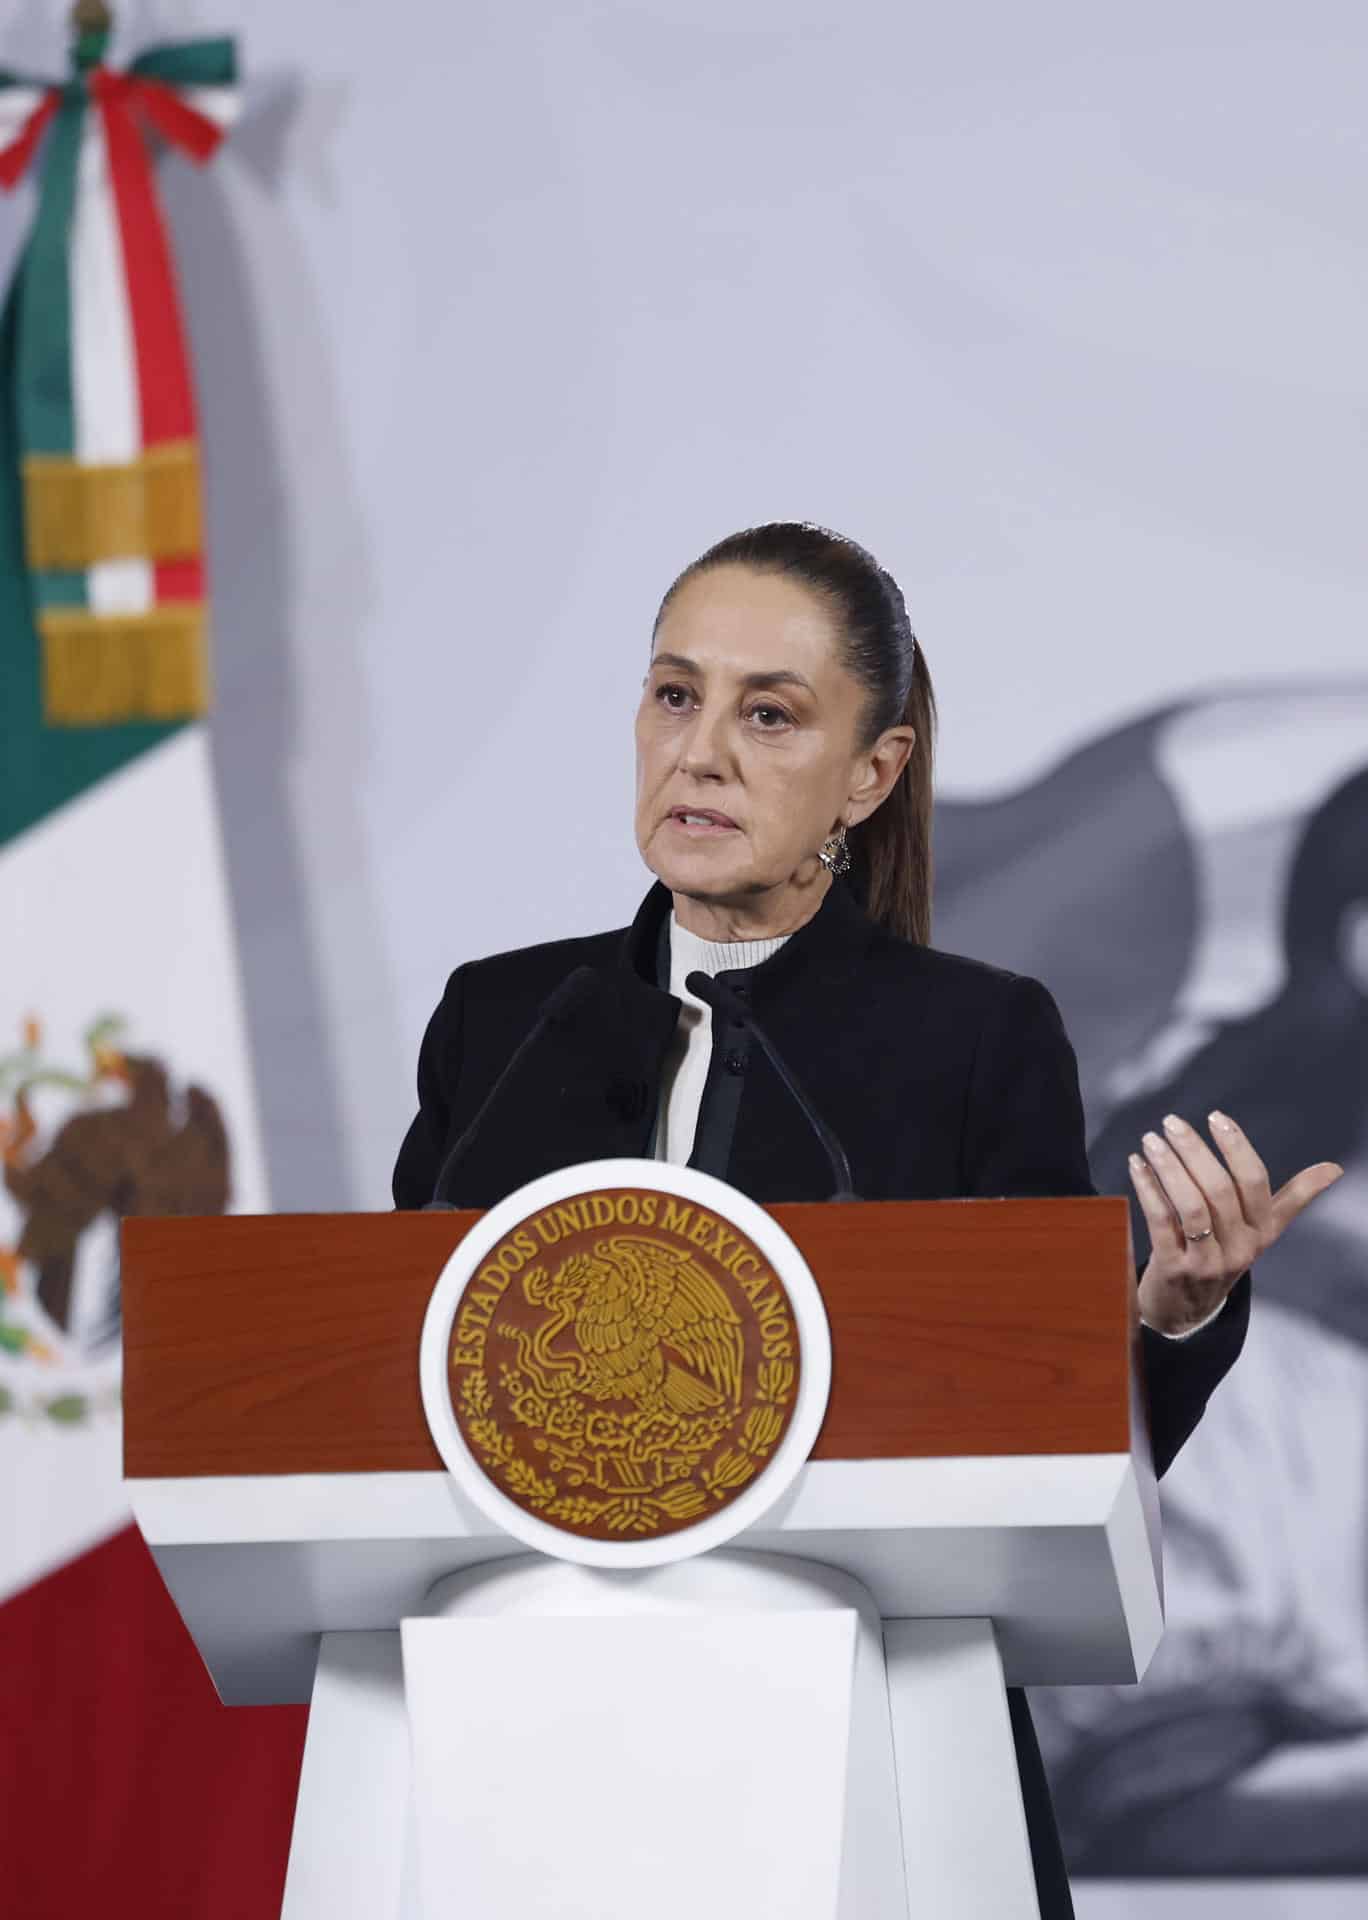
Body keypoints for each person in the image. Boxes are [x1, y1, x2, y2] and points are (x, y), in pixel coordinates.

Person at [392, 520, 1342, 1917]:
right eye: (675, 694)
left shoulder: (973, 1039)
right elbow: (400, 1371)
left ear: (870, 774)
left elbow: (1044, 1435)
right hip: (538, 1743)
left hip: (874, 1743)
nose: (699, 751)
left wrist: (1169, 1315)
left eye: (767, 714)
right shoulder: (502, 1019)